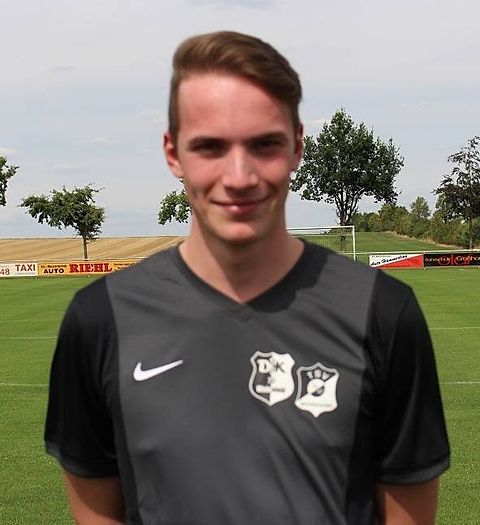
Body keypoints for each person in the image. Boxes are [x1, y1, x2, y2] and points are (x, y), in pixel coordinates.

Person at [45, 31, 450, 524]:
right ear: (173, 153)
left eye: (264, 145)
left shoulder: (382, 313)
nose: (239, 177)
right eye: (210, 147)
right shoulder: (100, 319)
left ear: (297, 146)